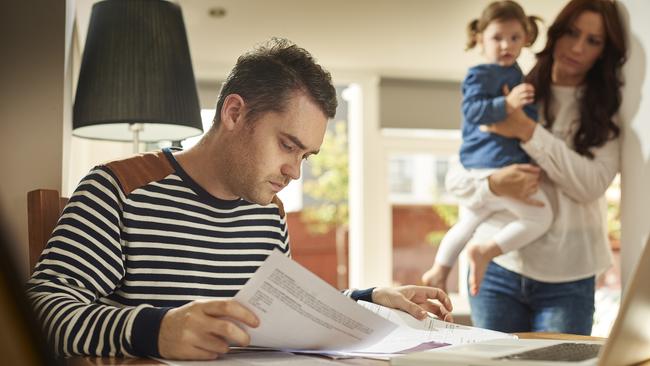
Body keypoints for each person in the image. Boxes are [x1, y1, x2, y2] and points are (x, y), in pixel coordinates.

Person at [25, 38, 453, 360]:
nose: (295, 171)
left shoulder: (268, 214)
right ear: (234, 113)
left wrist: (368, 298)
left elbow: (281, 316)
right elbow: (42, 310)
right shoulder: (119, 189)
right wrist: (154, 329)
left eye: (306, 155)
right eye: (288, 145)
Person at [429, 0, 626, 334]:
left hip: (569, 275)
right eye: (572, 33)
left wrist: (526, 130)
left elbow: (591, 185)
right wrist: (494, 185)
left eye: (593, 41)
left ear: (604, 51)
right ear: (555, 34)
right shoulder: (511, 87)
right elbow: (458, 176)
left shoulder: (605, 108)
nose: (577, 47)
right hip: (497, 270)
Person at [421, 0, 550, 296]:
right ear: (480, 39)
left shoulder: (518, 75)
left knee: (468, 221)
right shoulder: (480, 73)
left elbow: (524, 120)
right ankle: (485, 252)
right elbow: (474, 112)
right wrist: (508, 104)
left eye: (514, 38)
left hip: (491, 163)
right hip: (490, 162)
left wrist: (526, 113)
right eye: (497, 38)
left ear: (526, 39)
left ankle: (439, 270)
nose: (506, 45)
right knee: (541, 216)